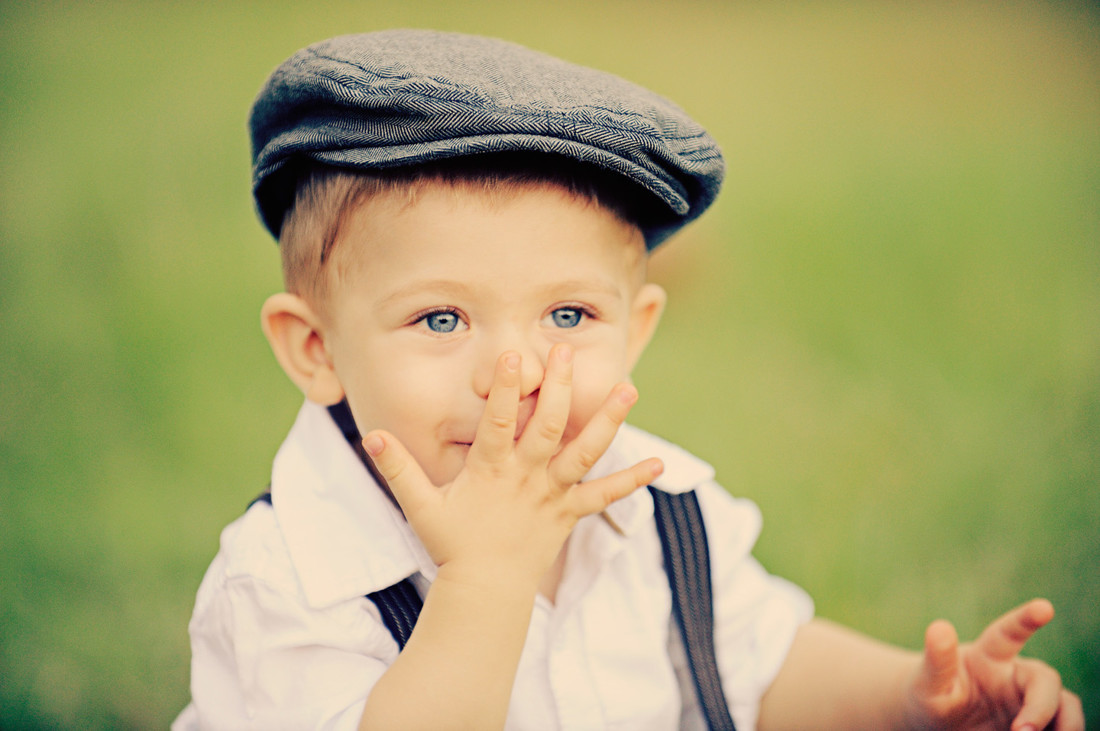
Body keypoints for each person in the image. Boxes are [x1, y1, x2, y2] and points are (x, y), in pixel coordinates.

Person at [174, 30, 1083, 730]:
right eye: (441, 318)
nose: (517, 374)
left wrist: (912, 699)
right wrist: (486, 578)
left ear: (637, 328)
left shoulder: (661, 505)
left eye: (569, 316)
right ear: (315, 348)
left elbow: (758, 662)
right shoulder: (286, 583)